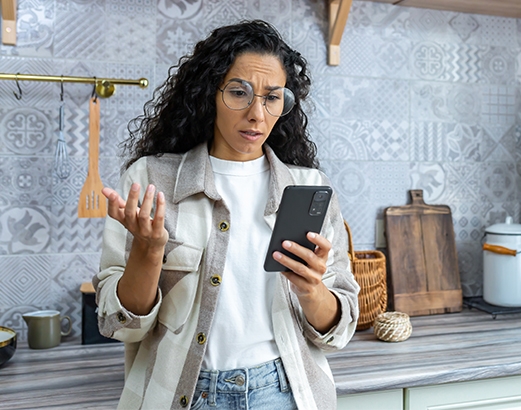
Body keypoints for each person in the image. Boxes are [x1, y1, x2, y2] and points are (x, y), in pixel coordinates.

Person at [93, 20, 360, 410]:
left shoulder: (307, 188)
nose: (257, 114)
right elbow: (119, 326)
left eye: (272, 98)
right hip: (180, 394)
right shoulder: (151, 179)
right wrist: (148, 254)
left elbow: (337, 331)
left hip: (283, 393)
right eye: (239, 92)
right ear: (209, 94)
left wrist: (310, 288)